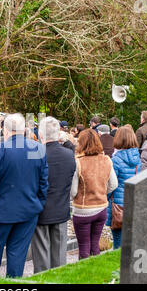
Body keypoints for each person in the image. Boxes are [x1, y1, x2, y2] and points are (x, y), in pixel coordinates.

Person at [0, 113, 48, 278]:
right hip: (27, 210)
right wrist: (37, 204)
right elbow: (43, 184)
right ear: (24, 130)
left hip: (0, 212)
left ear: (6, 130)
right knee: (17, 254)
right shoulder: (38, 149)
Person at [31, 117, 75, 273]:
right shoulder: (69, 155)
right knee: (59, 260)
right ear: (58, 134)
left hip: (41, 211)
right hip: (61, 209)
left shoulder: (35, 155)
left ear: (41, 135)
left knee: (42, 263)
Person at [70, 129, 118, 260]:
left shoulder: (78, 162)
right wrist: (102, 192)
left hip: (83, 209)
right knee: (95, 246)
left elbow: (73, 191)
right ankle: (97, 274)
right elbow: (114, 184)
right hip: (101, 207)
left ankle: (85, 277)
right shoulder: (106, 160)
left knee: (84, 247)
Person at [106, 127, 141, 249]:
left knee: (118, 242)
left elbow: (111, 184)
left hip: (118, 205)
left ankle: (119, 266)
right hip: (132, 202)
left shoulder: (115, 160)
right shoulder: (137, 158)